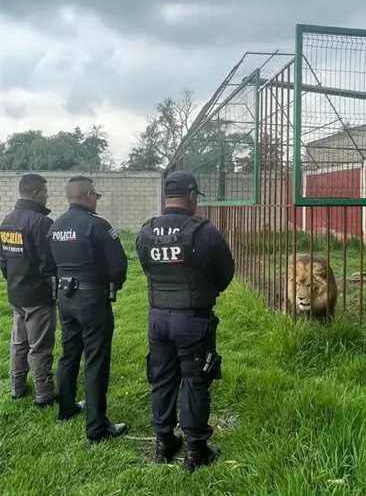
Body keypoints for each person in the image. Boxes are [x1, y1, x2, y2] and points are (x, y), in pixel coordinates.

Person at [135, 170, 234, 471]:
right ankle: (196, 451)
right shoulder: (204, 231)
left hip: (158, 319)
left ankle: (164, 442)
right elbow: (225, 273)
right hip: (193, 320)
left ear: (167, 196)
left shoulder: (146, 231)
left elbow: (146, 267)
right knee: (195, 381)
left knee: (162, 378)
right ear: (192, 197)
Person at [47, 176, 129, 442]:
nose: (97, 200)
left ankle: (66, 408)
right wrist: (114, 282)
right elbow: (118, 264)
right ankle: (97, 428)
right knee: (96, 359)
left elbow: (49, 263)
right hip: (92, 300)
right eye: (96, 195)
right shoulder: (98, 226)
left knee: (69, 354)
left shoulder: (55, 226)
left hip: (65, 298)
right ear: (87, 195)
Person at [0, 174, 58, 406]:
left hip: (16, 292)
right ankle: (44, 394)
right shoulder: (42, 223)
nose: (47, 196)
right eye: (45, 192)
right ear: (35, 193)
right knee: (40, 346)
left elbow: (3, 260)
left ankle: (18, 387)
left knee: (19, 342)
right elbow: (49, 264)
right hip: (38, 295)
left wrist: (14, 280)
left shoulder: (7, 220)